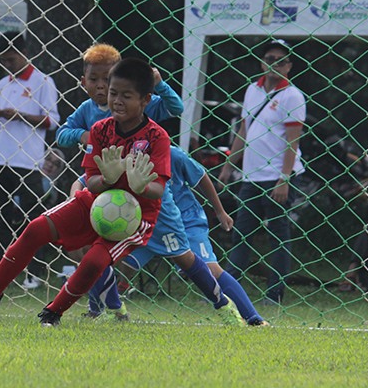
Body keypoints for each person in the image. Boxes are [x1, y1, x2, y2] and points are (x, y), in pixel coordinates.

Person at [0, 58, 169, 326]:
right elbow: (92, 179)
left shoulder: (157, 137)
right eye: (113, 93)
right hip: (96, 201)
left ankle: (53, 312)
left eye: (126, 96)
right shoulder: (100, 129)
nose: (117, 100)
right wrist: (107, 179)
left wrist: (139, 185)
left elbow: (157, 191)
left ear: (145, 99)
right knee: (36, 228)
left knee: (95, 261)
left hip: (135, 217)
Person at [56, 43, 185, 319]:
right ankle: (101, 305)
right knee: (87, 241)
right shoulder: (87, 111)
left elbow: (176, 107)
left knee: (178, 255)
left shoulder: (136, 105)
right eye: (94, 80)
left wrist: (160, 85)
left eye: (108, 79)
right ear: (83, 82)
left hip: (139, 183)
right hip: (102, 178)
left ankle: (222, 301)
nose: (101, 87)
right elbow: (61, 134)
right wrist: (85, 136)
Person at [91, 145, 267, 325]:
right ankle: (97, 310)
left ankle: (253, 319)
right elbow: (87, 180)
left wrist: (220, 211)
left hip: (186, 222)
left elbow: (202, 176)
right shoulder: (122, 154)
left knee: (212, 271)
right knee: (107, 259)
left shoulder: (172, 153)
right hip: (148, 224)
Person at [219, 38, 306, 304]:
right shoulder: (252, 91)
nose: (274, 65)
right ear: (261, 62)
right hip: (251, 176)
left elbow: (293, 141)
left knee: (277, 236)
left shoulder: (292, 95)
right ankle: (228, 292)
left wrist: (284, 178)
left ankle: (274, 294)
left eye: (281, 61)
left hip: (277, 177)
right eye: (269, 59)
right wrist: (227, 167)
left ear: (289, 66)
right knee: (241, 234)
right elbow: (243, 131)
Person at [0, 32, 60, 290]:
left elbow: (52, 120)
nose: (8, 64)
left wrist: (20, 115)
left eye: (11, 59)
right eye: (4, 60)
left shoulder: (43, 81)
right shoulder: (1, 83)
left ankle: (35, 272)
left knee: (32, 217)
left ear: (23, 53)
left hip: (28, 159)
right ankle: (0, 272)